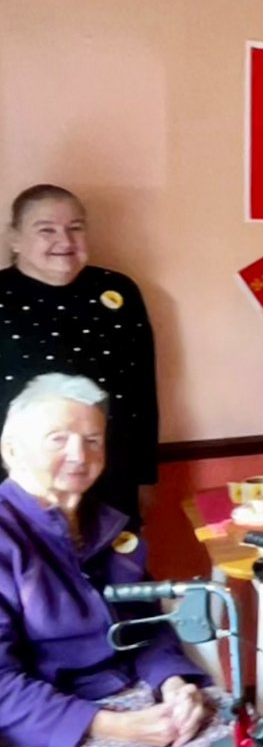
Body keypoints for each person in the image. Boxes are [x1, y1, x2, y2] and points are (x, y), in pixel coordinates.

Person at [0, 374, 225, 747]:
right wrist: (113, 727)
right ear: (12, 449)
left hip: (133, 696)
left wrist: (175, 684)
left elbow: (150, 627)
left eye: (92, 439)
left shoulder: (105, 524)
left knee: (252, 743)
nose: (79, 454)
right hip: (37, 731)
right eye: (57, 439)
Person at [0, 185, 158, 522]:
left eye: (76, 227)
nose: (65, 240)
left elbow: (140, 389)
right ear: (14, 239)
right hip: (19, 480)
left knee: (116, 568)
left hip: (108, 470)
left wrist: (144, 475)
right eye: (46, 230)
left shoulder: (118, 291)